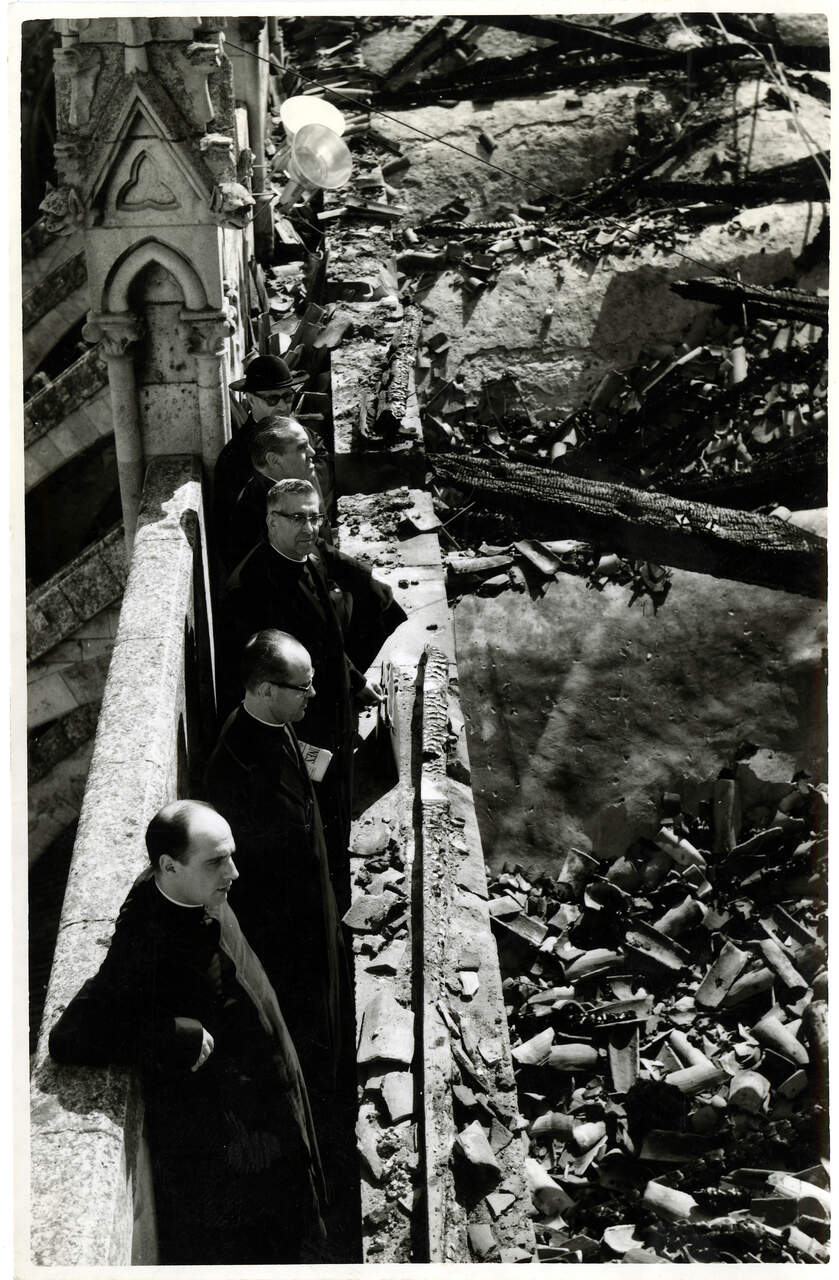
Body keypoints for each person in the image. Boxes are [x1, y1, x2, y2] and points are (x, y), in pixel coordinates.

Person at [48, 800, 325, 1265]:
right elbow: (71, 1036)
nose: (234, 872)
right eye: (216, 861)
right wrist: (171, 1036)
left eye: (231, 856)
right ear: (168, 866)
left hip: (274, 1081)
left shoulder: (202, 891)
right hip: (241, 1123)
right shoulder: (146, 932)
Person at [218, 481, 405, 908]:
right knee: (312, 827)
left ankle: (339, 895)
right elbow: (251, 687)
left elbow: (328, 641)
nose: (308, 526)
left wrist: (355, 682)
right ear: (271, 520)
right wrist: (294, 743)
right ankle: (329, 905)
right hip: (301, 732)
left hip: (333, 720)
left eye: (314, 516)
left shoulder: (309, 558)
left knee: (337, 815)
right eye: (296, 517)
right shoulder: (249, 591)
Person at [205, 630, 347, 1098]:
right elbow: (257, 877)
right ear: (266, 689)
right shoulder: (237, 765)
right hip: (287, 933)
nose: (313, 694)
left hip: (310, 908)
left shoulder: (276, 721)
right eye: (303, 687)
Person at [214, 354, 307, 565]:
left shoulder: (301, 436)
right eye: (272, 399)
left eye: (288, 396)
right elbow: (233, 538)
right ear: (251, 399)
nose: (283, 406)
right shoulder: (235, 459)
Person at [219, 414, 332, 573]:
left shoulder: (279, 490)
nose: (312, 452)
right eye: (302, 447)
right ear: (274, 460)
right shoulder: (264, 509)